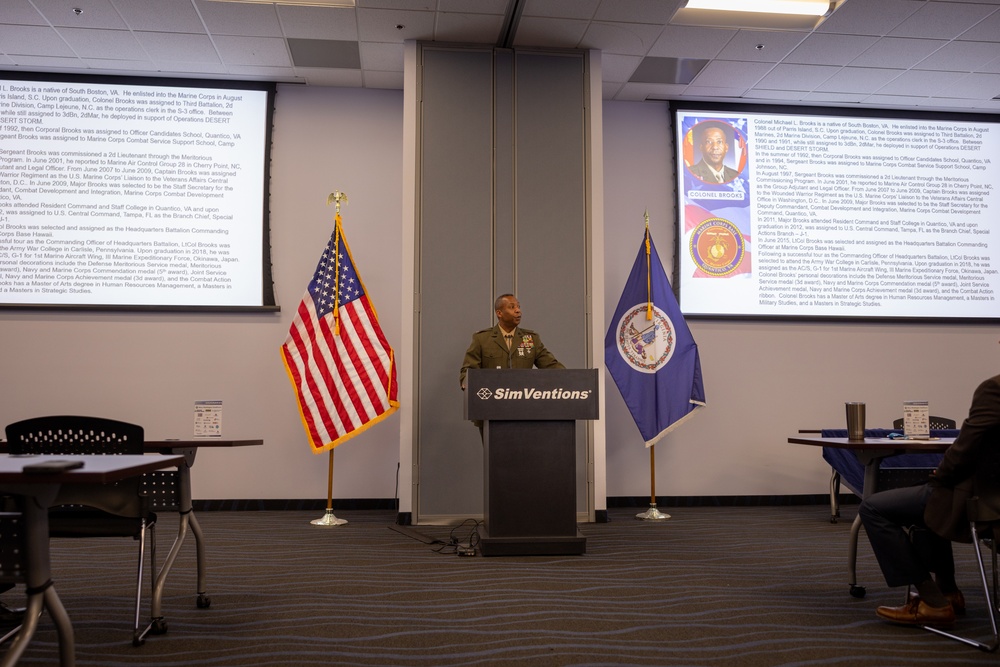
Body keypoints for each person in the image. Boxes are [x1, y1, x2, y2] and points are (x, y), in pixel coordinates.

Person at [858, 372, 1000, 627]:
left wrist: (941, 475)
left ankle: (934, 602)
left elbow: (966, 447)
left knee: (872, 508)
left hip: (985, 500)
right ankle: (948, 592)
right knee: (928, 502)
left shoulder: (995, 388)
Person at [459, 293, 564, 392]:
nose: (518, 311)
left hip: (522, 398)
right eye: (512, 307)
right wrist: (466, 383)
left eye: (518, 307)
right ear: (499, 313)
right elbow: (468, 371)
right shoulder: (482, 339)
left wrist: (572, 378)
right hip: (492, 399)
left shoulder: (531, 339)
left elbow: (551, 366)